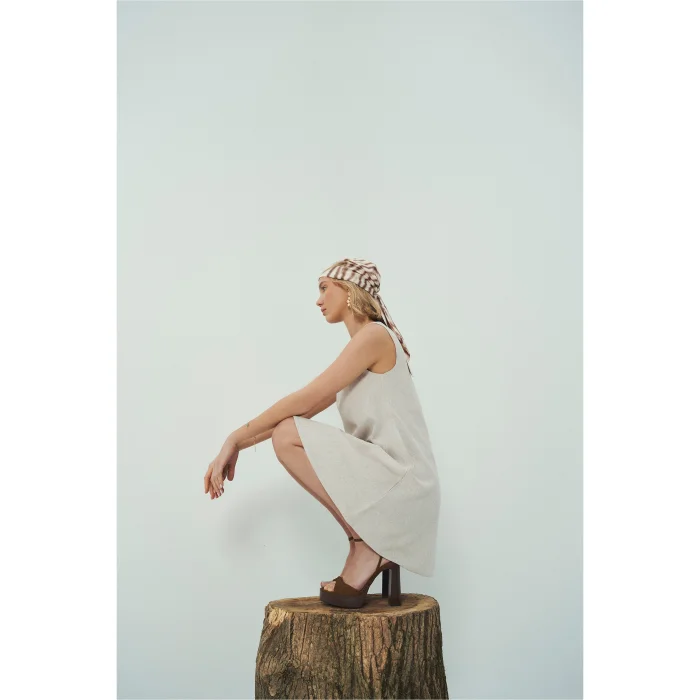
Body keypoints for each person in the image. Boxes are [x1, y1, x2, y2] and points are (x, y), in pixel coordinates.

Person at [204, 258, 440, 608]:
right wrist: (236, 442)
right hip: (395, 477)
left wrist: (234, 439)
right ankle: (366, 543)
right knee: (287, 432)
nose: (318, 300)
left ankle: (366, 545)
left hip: (404, 481)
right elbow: (304, 409)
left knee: (286, 434)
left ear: (349, 290)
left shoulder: (374, 336)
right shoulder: (366, 343)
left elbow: (304, 399)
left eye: (324, 288)